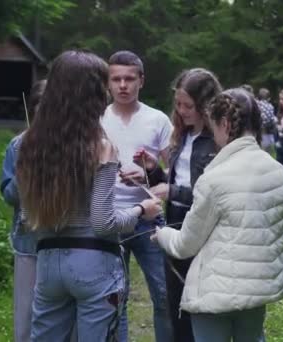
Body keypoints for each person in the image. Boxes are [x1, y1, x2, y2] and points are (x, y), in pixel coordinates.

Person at [15, 50, 162, 341]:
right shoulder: (101, 147)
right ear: (96, 91)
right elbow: (104, 223)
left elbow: (27, 217)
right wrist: (141, 210)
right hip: (94, 263)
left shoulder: (28, 144)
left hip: (47, 263)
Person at [151, 88, 283, 342]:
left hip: (217, 293)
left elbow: (184, 245)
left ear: (225, 125)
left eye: (213, 128)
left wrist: (162, 234)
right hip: (257, 288)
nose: (213, 137)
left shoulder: (214, 179)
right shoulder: (277, 171)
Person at [135, 68, 222, 342]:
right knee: (176, 304)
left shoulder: (217, 141)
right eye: (179, 105)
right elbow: (176, 181)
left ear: (207, 106)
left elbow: (210, 193)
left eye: (189, 106)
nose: (182, 111)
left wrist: (171, 190)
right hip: (174, 226)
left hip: (203, 231)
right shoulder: (183, 136)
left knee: (199, 305)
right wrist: (153, 171)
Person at [100, 50, 173, 342]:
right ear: (107, 83)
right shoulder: (98, 118)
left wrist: (152, 174)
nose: (122, 85)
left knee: (166, 295)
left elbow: (176, 173)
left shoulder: (158, 120)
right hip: (110, 217)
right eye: (116, 79)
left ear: (141, 80)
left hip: (150, 217)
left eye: (129, 78)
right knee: (116, 298)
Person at [0, 79, 46, 342]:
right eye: (41, 108)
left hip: (66, 242)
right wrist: (25, 172)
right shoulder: (18, 146)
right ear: (34, 109)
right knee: (27, 318)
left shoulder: (73, 143)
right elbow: (8, 194)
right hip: (29, 243)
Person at [257, 88, 277, 153]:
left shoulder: (257, 104)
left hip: (261, 133)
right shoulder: (271, 106)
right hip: (269, 134)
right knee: (268, 154)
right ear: (269, 98)